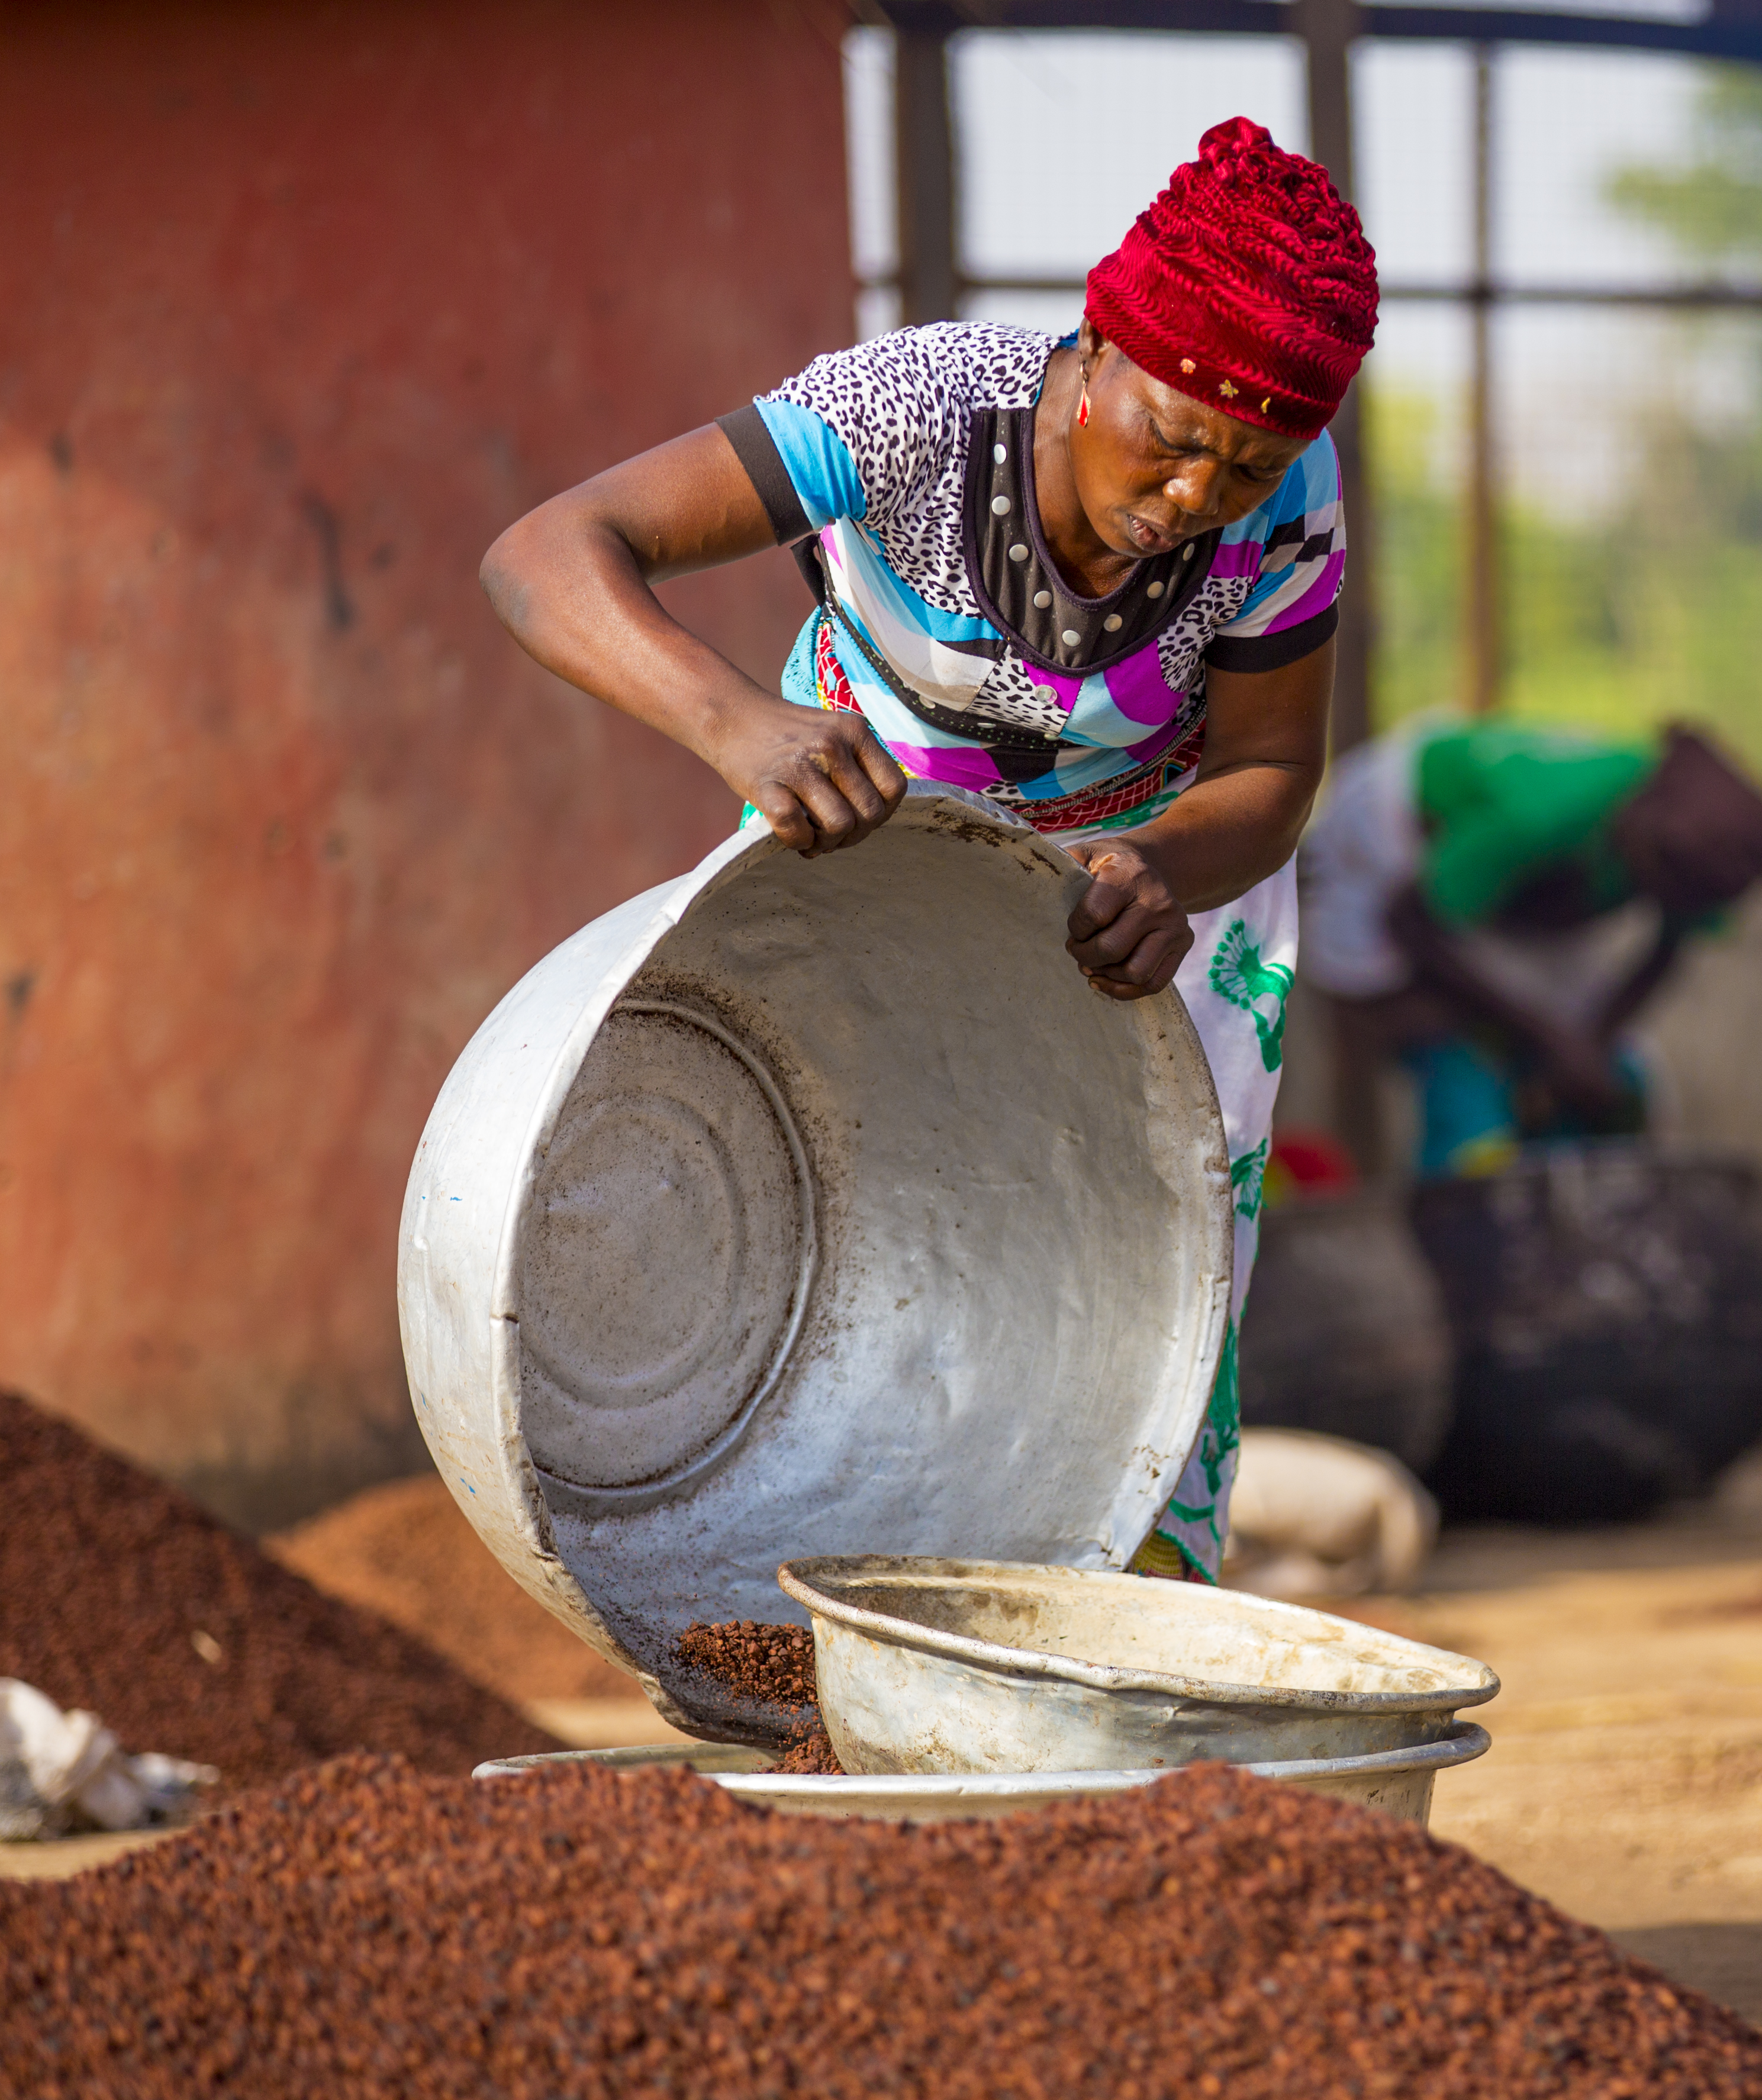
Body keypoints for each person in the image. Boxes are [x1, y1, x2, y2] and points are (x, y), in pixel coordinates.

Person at [478, 118, 1376, 1583]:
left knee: (1143, 1278)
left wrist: (1155, 866)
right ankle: (810, 1595)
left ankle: (1107, 1646)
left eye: (1245, 465)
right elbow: (544, 555)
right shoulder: (910, 413)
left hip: (1140, 900)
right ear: (1094, 348)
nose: (1194, 501)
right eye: (1170, 440)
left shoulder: (1285, 492)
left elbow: (1273, 770)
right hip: (861, 849)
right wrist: (733, 724)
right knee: (851, 1219)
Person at [1300, 719, 1762, 1177]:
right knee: (1447, 1047)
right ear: (1635, 829)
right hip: (1394, 847)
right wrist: (1550, 1041)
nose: (1660, 897)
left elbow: (1668, 946)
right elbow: (1411, 920)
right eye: (1657, 883)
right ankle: (1459, 1188)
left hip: (1487, 891)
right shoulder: (1540, 814)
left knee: (1618, 1083)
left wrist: (1592, 1045)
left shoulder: (1702, 855)